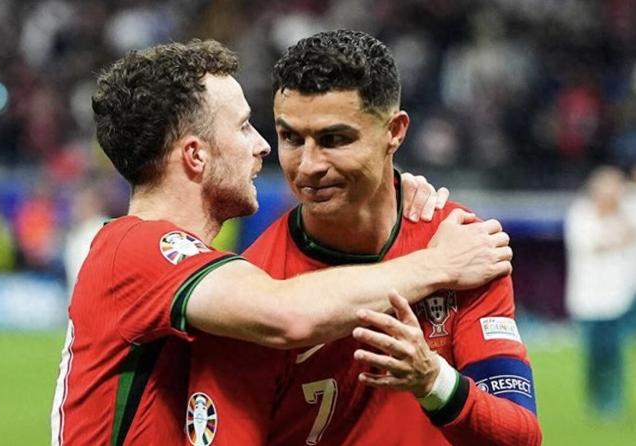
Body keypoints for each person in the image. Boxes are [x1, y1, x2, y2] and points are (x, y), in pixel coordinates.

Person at [50, 40, 513, 445]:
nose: (263, 146)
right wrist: (438, 263)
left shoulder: (174, 269)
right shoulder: (137, 248)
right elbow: (288, 313)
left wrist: (382, 191)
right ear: (195, 155)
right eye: (243, 126)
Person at [187, 30, 540, 445]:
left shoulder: (463, 245)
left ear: (395, 132)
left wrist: (434, 381)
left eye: (335, 140)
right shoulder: (252, 292)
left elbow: (520, 436)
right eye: (291, 138)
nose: (309, 165)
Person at [565, 166, 636, 419]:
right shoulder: (581, 214)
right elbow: (592, 244)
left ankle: (613, 402)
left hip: (617, 299)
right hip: (587, 299)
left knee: (614, 354)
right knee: (594, 354)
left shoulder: (625, 212)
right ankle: (595, 401)